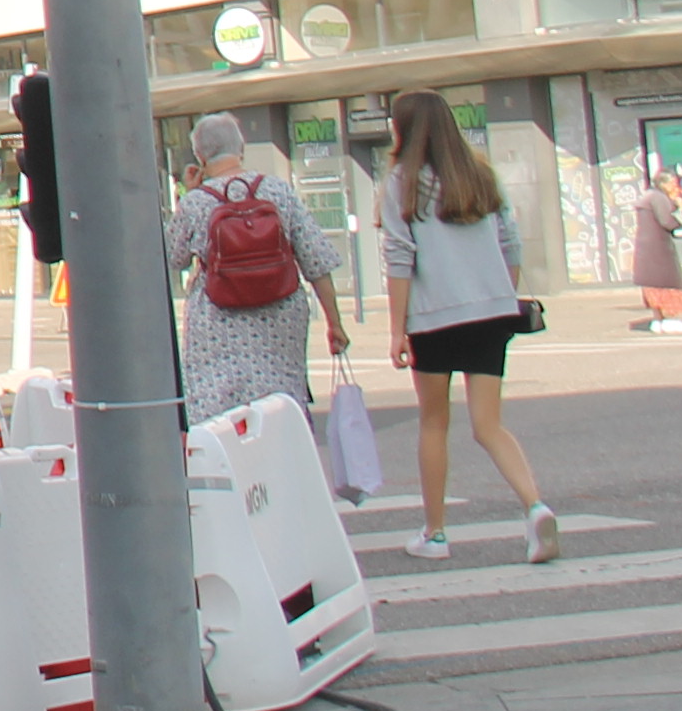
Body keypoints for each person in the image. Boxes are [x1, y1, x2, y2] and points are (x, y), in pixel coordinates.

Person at [378, 87, 558, 564]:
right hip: (491, 314)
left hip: (434, 319)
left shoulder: (402, 181)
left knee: (434, 422)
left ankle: (435, 534)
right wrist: (499, 296)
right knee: (489, 425)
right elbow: (511, 244)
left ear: (402, 129)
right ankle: (535, 505)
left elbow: (399, 257)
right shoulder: (479, 175)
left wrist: (397, 331)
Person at [165, 115, 346, 418]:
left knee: (218, 413)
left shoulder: (196, 202)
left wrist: (193, 190)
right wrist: (334, 323)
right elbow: (317, 261)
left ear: (200, 155)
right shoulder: (278, 192)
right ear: (241, 148)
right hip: (280, 314)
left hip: (217, 319)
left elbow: (173, 256)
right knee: (281, 402)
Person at [632, 164, 682, 333]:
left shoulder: (649, 196)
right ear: (664, 184)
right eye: (673, 183)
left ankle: (658, 319)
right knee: (665, 284)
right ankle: (669, 319)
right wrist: (680, 210)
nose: (676, 187)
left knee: (654, 285)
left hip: (648, 248)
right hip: (658, 248)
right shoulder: (658, 198)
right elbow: (667, 221)